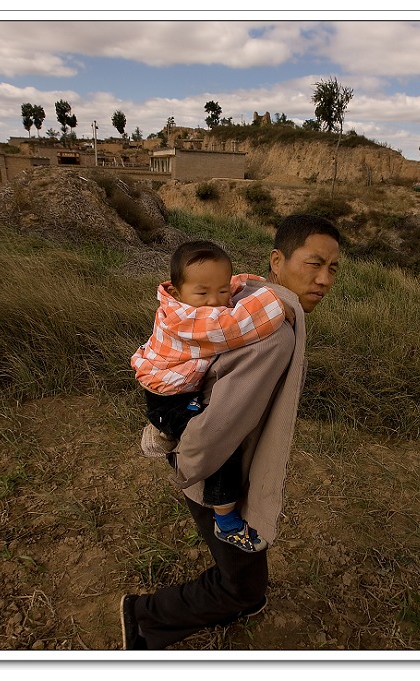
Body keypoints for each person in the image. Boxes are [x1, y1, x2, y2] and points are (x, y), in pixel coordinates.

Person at [120, 214, 342, 650]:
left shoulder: (252, 296)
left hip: (211, 451)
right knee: (242, 582)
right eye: (313, 264)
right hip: (214, 464)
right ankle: (143, 619)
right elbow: (219, 425)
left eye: (333, 268)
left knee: (243, 571)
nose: (324, 279)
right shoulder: (273, 332)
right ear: (277, 261)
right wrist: (191, 467)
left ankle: (241, 597)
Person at [130, 240, 294, 553]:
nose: (215, 301)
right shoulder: (188, 320)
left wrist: (246, 283)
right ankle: (226, 521)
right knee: (220, 446)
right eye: (203, 293)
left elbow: (225, 285)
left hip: (177, 389)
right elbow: (234, 326)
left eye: (221, 292)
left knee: (206, 420)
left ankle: (162, 429)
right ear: (178, 294)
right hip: (170, 398)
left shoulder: (190, 298)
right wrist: (274, 306)